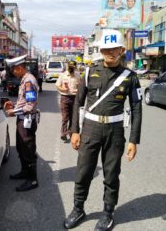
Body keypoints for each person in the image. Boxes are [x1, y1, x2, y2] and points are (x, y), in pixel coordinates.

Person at [64, 29, 142, 230]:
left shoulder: (130, 77)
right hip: (90, 129)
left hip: (115, 132)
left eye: (113, 48)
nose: (109, 52)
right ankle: (78, 208)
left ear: (121, 50)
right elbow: (77, 103)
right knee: (83, 172)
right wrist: (74, 130)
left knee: (111, 174)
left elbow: (136, 109)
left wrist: (134, 140)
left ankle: (108, 213)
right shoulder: (90, 71)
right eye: (105, 49)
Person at [3, 54, 39, 192]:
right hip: (22, 119)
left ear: (19, 68)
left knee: (28, 149)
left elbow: (30, 105)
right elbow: (23, 101)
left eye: (13, 70)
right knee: (21, 147)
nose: (13, 73)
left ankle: (33, 179)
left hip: (27, 120)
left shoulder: (29, 81)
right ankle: (25, 172)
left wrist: (14, 112)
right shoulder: (25, 80)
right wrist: (13, 105)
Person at [56, 61, 80, 142]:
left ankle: (70, 132)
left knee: (73, 117)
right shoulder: (63, 75)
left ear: (75, 67)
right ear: (68, 66)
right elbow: (57, 85)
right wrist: (63, 89)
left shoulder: (78, 75)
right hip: (65, 98)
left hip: (74, 98)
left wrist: (78, 90)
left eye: (73, 66)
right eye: (70, 66)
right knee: (65, 117)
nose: (71, 68)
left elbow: (80, 85)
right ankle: (63, 133)